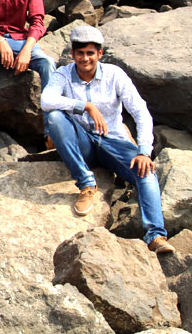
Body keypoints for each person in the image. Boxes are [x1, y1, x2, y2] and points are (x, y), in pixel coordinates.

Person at [40, 25, 173, 254]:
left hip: (113, 142)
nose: (85, 58)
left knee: (146, 173)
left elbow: (141, 112)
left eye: (90, 53)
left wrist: (144, 150)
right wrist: (86, 106)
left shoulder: (114, 75)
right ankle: (86, 183)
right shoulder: (63, 74)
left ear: (99, 54)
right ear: (73, 54)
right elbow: (46, 100)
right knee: (54, 117)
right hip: (82, 142)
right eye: (80, 53)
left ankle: (155, 236)